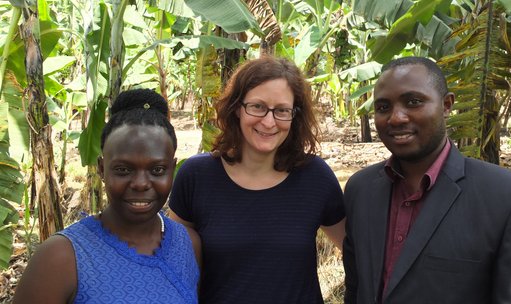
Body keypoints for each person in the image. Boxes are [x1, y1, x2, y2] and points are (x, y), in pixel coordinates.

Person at [343, 56, 511, 304]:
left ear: (447, 105)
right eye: (383, 107)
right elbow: (355, 289)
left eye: (413, 102)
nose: (396, 118)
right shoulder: (360, 190)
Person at [168, 56, 345, 303]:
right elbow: (172, 261)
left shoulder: (315, 176)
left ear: (295, 116)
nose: (269, 121)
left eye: (282, 110)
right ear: (237, 108)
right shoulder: (197, 176)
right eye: (258, 107)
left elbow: (356, 253)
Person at [13, 89, 200, 303]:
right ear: (102, 169)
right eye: (123, 170)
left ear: (172, 169)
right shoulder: (61, 258)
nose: (140, 184)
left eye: (157, 170)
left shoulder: (188, 244)